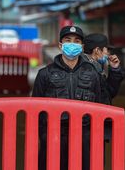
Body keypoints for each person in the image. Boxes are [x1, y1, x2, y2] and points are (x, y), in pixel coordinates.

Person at [32, 25, 102, 170]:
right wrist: (42, 137)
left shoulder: (93, 74)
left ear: (82, 47)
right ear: (60, 45)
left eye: (76, 41)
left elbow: (99, 107)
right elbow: (35, 112)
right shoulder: (45, 74)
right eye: (68, 40)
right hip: (54, 136)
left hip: (84, 137)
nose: (72, 44)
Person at [83, 33, 125, 143]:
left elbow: (108, 92)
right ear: (97, 50)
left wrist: (115, 69)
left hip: (95, 127)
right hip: (87, 129)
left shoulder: (98, 68)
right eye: (107, 50)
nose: (108, 54)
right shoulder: (86, 70)